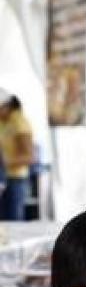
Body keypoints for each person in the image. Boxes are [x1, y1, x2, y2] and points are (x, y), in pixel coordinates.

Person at [0, 89, 34, 220]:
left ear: (6, 106)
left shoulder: (19, 122)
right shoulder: (3, 122)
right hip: (3, 178)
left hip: (16, 180)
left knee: (14, 222)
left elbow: (29, 156)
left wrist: (5, 162)